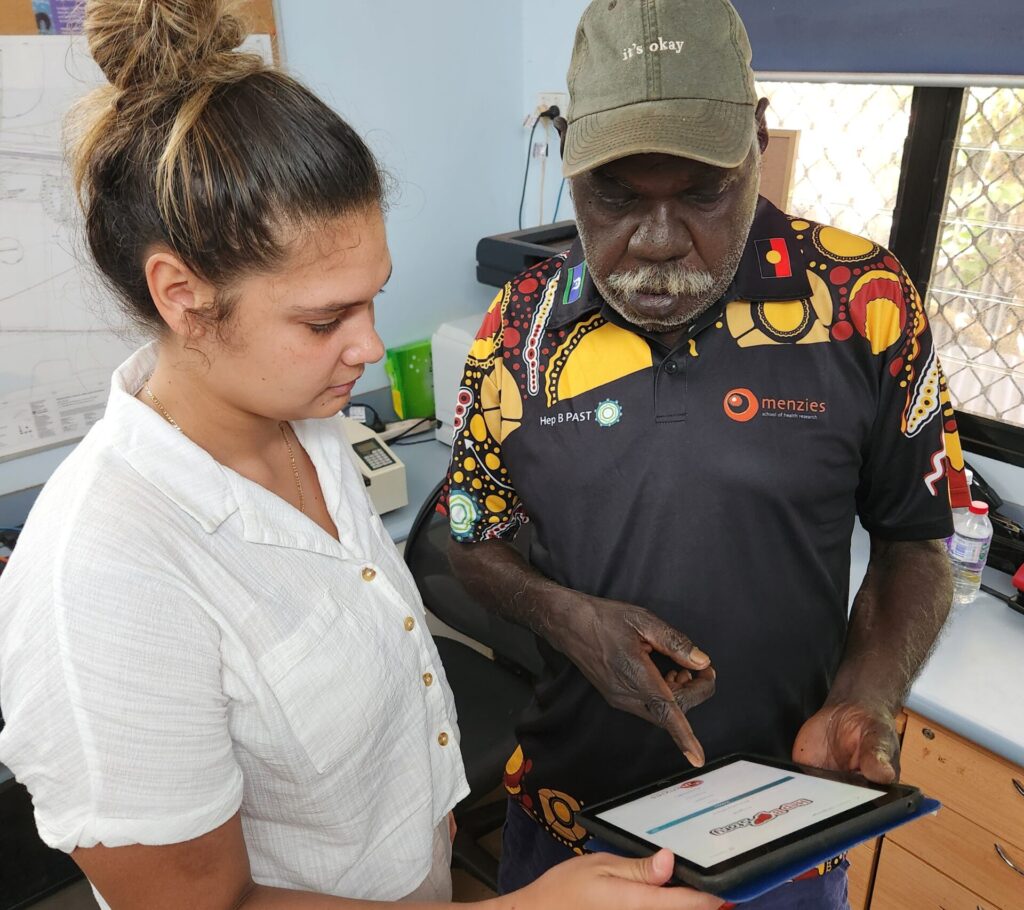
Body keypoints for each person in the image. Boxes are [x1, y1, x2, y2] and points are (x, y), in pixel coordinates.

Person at [0, 2, 723, 909]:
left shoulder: (303, 424)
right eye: (323, 319)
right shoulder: (102, 577)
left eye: (371, 299)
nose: (372, 348)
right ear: (182, 295)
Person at [445, 0, 971, 906]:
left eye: (700, 193)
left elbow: (916, 540)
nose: (655, 241)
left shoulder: (864, 302)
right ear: (569, 156)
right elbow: (469, 533)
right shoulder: (518, 326)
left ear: (757, 142)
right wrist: (565, 615)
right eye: (615, 196)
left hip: (781, 835)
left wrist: (866, 695)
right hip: (569, 837)